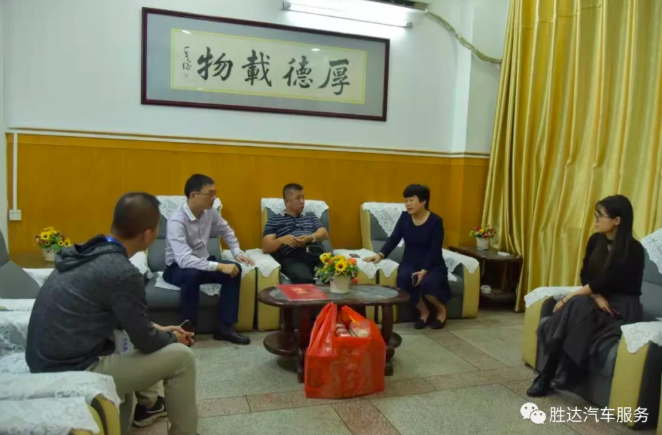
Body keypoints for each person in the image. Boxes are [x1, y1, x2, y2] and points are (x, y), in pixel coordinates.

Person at [26, 192, 198, 435]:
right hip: (70, 370)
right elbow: (146, 341)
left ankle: (146, 407)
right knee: (182, 358)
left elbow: (121, 316)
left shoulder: (89, 253)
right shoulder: (122, 272)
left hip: (43, 361)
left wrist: (161, 329)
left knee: (129, 341)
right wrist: (174, 339)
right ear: (147, 234)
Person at [526, 195, 645, 397]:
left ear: (617, 220)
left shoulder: (633, 250)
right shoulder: (595, 240)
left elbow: (609, 280)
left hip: (620, 307)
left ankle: (548, 375)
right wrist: (596, 297)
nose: (595, 220)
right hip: (598, 299)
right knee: (579, 305)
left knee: (575, 305)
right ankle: (560, 372)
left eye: (600, 216)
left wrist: (568, 298)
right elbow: (585, 275)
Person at [163, 174, 253, 345]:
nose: (214, 198)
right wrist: (218, 266)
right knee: (192, 275)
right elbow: (184, 260)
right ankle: (188, 331)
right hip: (176, 268)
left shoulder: (209, 212)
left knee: (234, 270)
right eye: (210, 193)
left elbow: (226, 230)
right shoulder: (177, 221)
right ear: (193, 195)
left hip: (202, 263)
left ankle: (224, 328)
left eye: (215, 193)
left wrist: (236, 252)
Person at [365, 184, 450, 330]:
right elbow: (394, 237)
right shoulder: (405, 217)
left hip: (432, 264)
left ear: (423, 201)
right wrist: (380, 254)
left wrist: (424, 270)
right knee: (404, 279)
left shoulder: (435, 221)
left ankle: (441, 311)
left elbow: (435, 249)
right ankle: (424, 312)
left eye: (411, 200)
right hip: (410, 262)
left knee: (428, 283)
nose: (408, 204)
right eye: (406, 200)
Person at [262, 183, 329, 283]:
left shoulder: (310, 216)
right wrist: (281, 240)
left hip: (318, 256)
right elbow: (266, 247)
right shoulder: (275, 220)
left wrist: (310, 238)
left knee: (339, 274)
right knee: (304, 281)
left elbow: (324, 233)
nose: (302, 201)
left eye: (303, 197)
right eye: (298, 198)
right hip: (294, 257)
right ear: (287, 201)